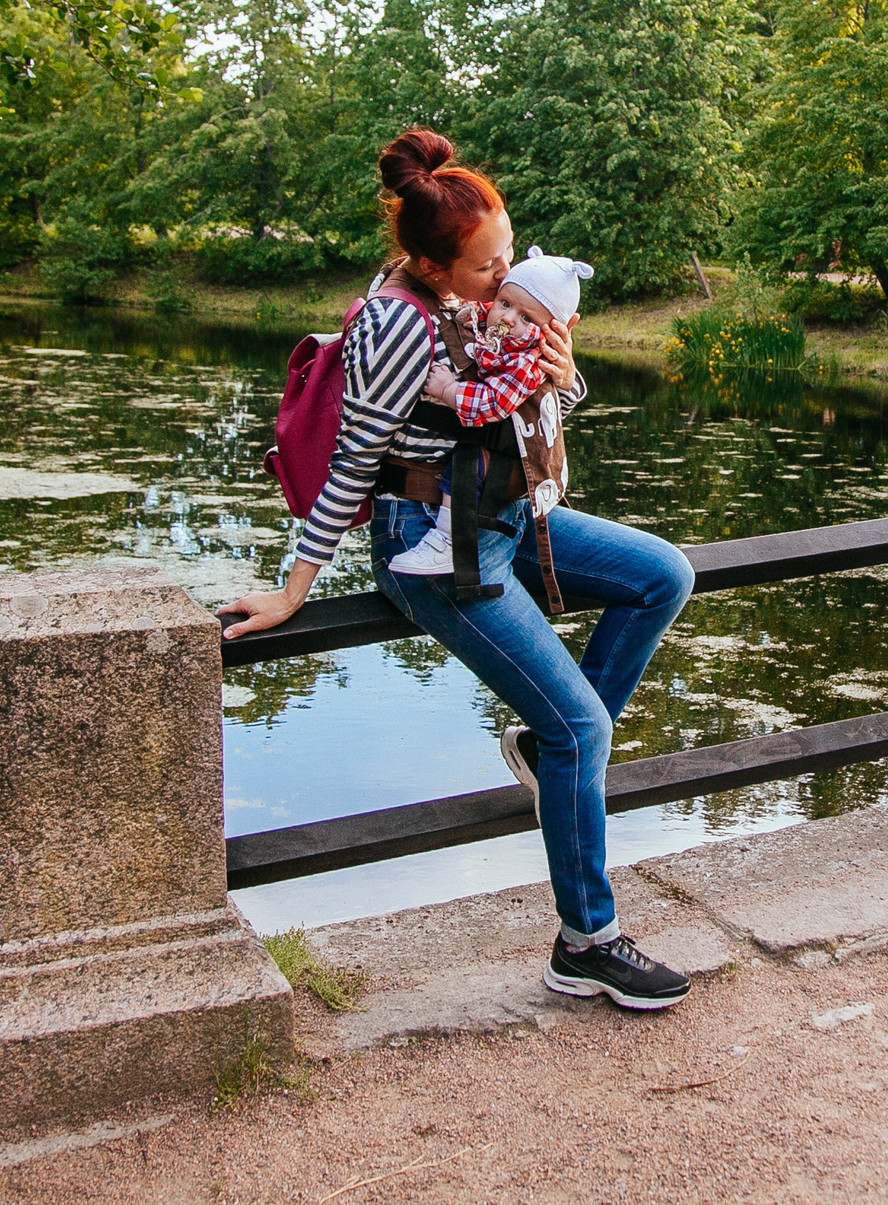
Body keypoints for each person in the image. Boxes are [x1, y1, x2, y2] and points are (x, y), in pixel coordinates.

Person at [222, 130, 698, 1011]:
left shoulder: (473, 304)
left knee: (662, 576)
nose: (505, 276)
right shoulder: (397, 327)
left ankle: (544, 745)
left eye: (509, 253)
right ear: (437, 268)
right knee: (585, 731)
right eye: (489, 266)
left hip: (502, 512)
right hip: (430, 548)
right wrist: (296, 585)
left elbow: (525, 400)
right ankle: (585, 942)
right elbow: (356, 458)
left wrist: (565, 376)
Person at [384, 246, 593, 599]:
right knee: (465, 467)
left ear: (549, 332)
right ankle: (446, 539)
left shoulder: (528, 361)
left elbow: (495, 405)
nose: (509, 318)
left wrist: (450, 390)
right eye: (505, 304)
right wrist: (469, 315)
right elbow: (486, 313)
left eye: (528, 319)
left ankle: (447, 540)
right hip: (427, 503)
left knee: (667, 576)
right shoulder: (479, 319)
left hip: (508, 491)